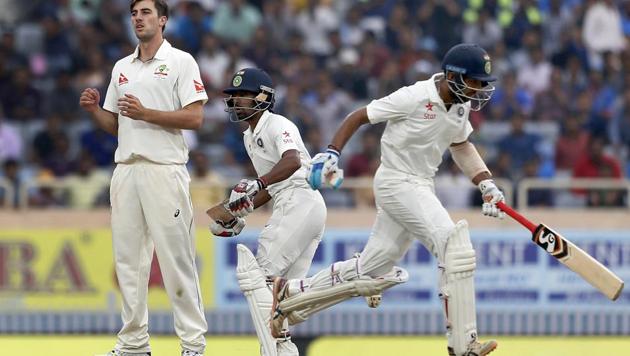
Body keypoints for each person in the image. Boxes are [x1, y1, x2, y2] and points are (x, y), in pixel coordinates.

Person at [270, 43, 504, 356]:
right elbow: (358, 116)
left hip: (420, 184)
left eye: (481, 84)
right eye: (473, 82)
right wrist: (332, 152)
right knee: (454, 245)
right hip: (397, 180)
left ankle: (291, 293)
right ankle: (462, 345)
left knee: (372, 267)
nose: (478, 90)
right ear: (451, 76)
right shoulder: (415, 96)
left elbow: (461, 146)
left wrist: (485, 182)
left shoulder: (460, 107)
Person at [79, 1, 208, 355]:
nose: (138, 18)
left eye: (146, 12)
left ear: (163, 20)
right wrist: (94, 111)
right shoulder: (122, 67)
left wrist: (146, 113)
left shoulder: (181, 61)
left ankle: (193, 343)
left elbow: (195, 118)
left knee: (176, 258)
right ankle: (134, 343)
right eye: (134, 13)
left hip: (164, 170)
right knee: (128, 262)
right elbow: (116, 125)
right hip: (126, 170)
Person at [206, 68, 326, 356]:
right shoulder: (250, 136)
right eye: (233, 97)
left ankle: (270, 351)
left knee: (258, 278)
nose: (235, 102)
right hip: (299, 204)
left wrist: (257, 183)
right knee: (287, 295)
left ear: (263, 97)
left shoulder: (277, 124)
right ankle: (284, 347)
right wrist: (237, 210)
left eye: (242, 96)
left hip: (299, 201)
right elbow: (267, 189)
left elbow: (292, 161)